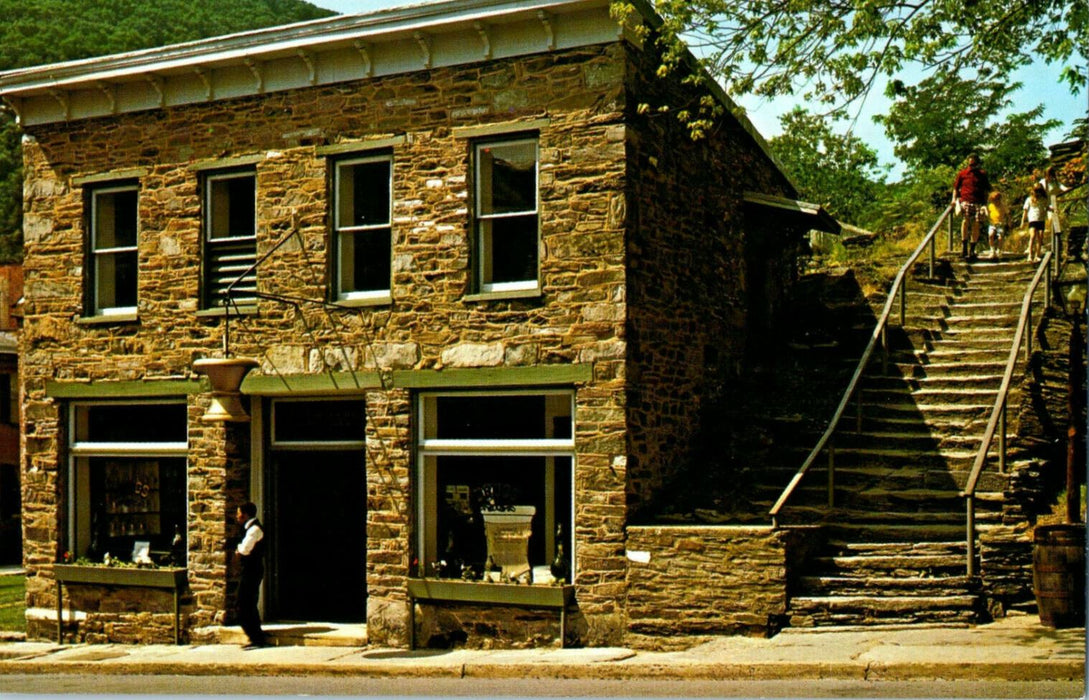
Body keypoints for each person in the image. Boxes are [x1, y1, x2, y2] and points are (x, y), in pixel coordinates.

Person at [235, 502, 268, 649]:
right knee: (245, 602)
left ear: (245, 514)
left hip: (252, 570)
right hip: (250, 569)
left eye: (238, 513)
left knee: (246, 602)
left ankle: (256, 637)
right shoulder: (248, 529)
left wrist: (239, 549)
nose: (237, 516)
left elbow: (245, 549)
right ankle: (253, 635)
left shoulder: (254, 529)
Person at [951, 153, 991, 260]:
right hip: (966, 201)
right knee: (965, 222)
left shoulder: (982, 174)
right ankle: (964, 248)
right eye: (970, 163)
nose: (972, 166)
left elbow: (986, 189)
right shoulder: (962, 173)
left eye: (974, 163)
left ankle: (972, 249)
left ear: (977, 163)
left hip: (978, 202)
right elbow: (955, 188)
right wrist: (954, 200)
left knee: (976, 225)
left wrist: (985, 204)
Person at [1020, 183, 1050, 263]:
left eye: (1039, 191)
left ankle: (1037, 255)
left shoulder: (1043, 199)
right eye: (1036, 191)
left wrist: (1053, 210)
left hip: (1041, 220)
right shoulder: (1029, 199)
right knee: (1032, 236)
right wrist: (1023, 221)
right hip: (1032, 220)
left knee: (1040, 238)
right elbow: (1025, 211)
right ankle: (1030, 254)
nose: (1038, 193)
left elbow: (1047, 207)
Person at [986, 191, 1008, 260]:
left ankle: (999, 250)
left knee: (1000, 237)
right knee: (990, 235)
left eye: (997, 199)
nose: (995, 201)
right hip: (992, 223)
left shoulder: (1003, 206)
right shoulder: (990, 206)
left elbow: (1007, 214)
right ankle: (992, 250)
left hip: (1000, 223)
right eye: (994, 200)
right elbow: (988, 213)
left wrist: (1009, 221)